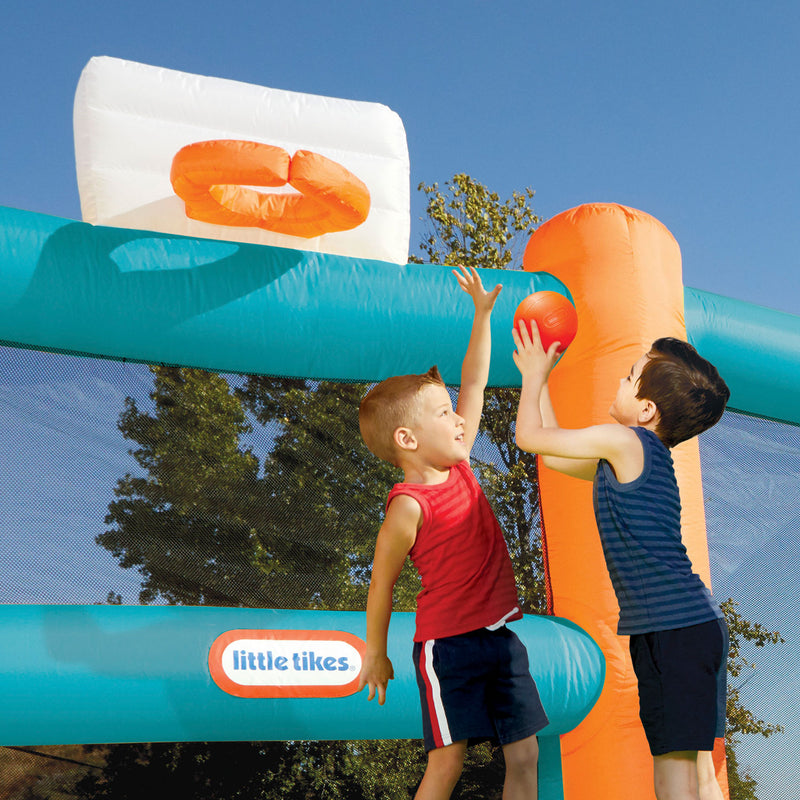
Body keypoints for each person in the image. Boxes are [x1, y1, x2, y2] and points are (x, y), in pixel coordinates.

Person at [511, 319, 730, 800]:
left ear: (646, 408)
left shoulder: (626, 443)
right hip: (684, 628)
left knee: (677, 776)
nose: (619, 381)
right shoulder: (629, 454)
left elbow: (527, 436)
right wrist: (545, 377)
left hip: (676, 630)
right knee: (697, 772)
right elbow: (550, 451)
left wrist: (529, 373)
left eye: (629, 376)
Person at [357, 266, 549, 800]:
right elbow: (381, 584)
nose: (460, 420)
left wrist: (482, 317)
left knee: (527, 754)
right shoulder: (407, 507)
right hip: (447, 648)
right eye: (445, 413)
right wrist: (375, 651)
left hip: (499, 640)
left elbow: (477, 380)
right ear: (407, 438)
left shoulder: (460, 467)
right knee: (447, 762)